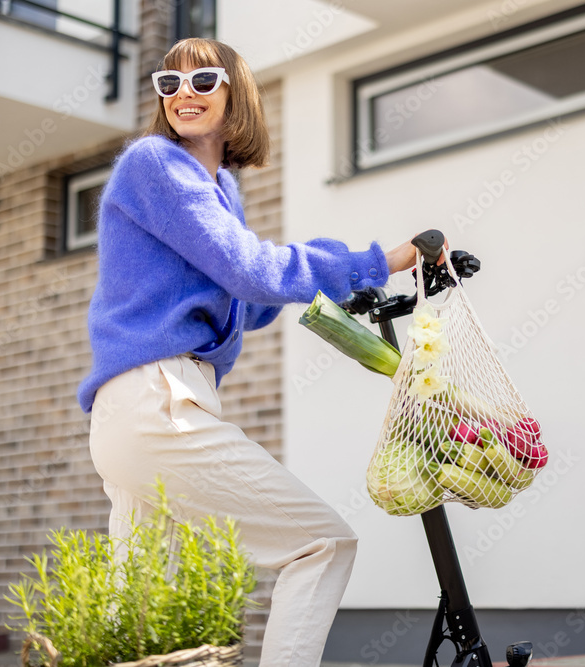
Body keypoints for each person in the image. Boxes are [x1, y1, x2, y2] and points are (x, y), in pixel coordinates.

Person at [79, 37, 442, 666]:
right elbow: (252, 272)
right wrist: (380, 261)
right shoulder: (155, 163)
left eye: (202, 81)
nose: (182, 95)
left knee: (138, 613)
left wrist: (331, 292)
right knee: (321, 543)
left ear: (235, 92)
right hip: (158, 400)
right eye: (169, 84)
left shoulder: (215, 187)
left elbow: (245, 297)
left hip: (137, 406)